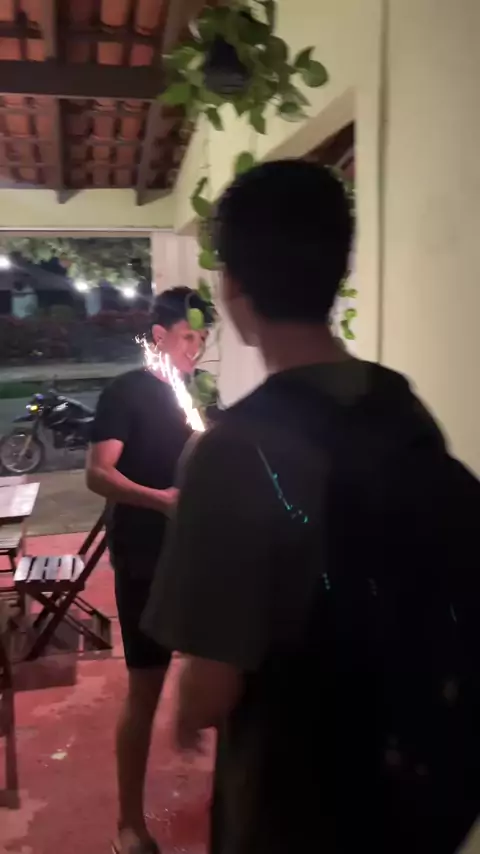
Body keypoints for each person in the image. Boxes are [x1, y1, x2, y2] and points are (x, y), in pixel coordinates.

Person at [143, 161, 480, 854]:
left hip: (300, 803)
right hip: (421, 788)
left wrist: (185, 707)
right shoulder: (401, 407)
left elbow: (210, 690)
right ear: (339, 269)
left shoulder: (230, 451)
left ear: (233, 287)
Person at [86, 286, 213, 854]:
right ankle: (129, 825)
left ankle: (230, 802)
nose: (196, 348)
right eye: (188, 337)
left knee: (220, 675)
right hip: (144, 558)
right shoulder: (125, 393)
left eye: (203, 338)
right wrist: (161, 500)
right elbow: (98, 473)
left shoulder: (200, 392)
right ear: (159, 336)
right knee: (145, 689)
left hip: (201, 558)